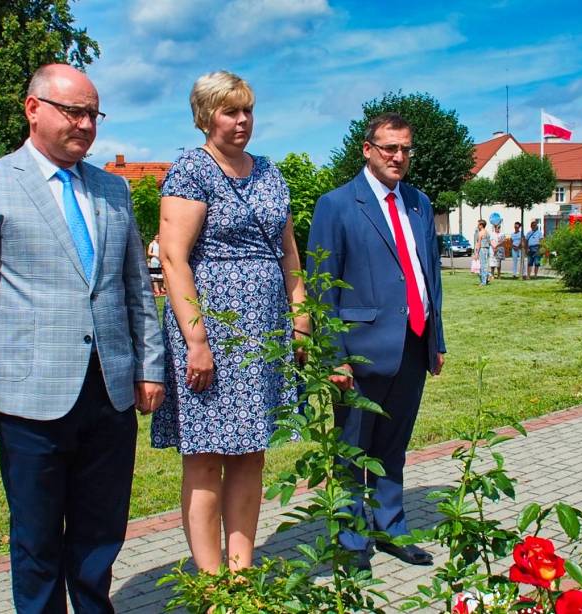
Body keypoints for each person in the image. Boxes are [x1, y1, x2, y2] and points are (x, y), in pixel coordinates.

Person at [0, 64, 165, 614]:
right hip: (29, 397)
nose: (86, 125)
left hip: (109, 392)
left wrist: (150, 365)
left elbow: (136, 284)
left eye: (93, 113)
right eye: (73, 111)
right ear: (33, 108)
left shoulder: (113, 190)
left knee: (100, 532)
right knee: (37, 539)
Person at [151, 71, 305, 573]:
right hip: (213, 331)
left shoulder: (269, 172)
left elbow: (288, 252)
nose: (242, 121)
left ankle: (242, 570)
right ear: (204, 117)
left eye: (247, 111)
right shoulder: (191, 172)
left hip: (265, 330)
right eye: (229, 111)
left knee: (251, 453)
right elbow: (174, 259)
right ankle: (212, 582)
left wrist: (300, 314)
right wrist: (197, 341)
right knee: (205, 458)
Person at [307, 112, 446, 571]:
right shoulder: (338, 204)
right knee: (352, 451)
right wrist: (333, 356)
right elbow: (322, 286)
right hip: (359, 352)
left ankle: (392, 528)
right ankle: (350, 542)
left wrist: (436, 340)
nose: (398, 157)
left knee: (392, 446)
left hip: (412, 344)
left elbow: (430, 276)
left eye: (405, 148)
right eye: (389, 148)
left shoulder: (420, 204)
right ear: (367, 149)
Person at [473, 219, 490, 286]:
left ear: (481, 225)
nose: (477, 226)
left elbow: (479, 243)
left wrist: (476, 253)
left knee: (482, 266)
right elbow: (489, 241)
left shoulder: (480, 233)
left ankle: (483, 282)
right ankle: (487, 278)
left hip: (482, 250)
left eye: (478, 224)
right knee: (485, 265)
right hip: (487, 249)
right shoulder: (487, 232)